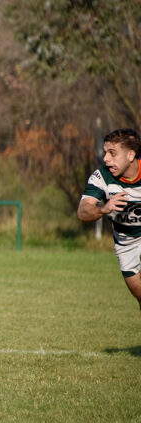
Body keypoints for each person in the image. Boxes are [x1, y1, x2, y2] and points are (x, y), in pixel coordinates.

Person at [78, 128, 141, 313]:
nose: (106, 158)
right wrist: (103, 208)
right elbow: (83, 212)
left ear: (131, 155)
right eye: (105, 152)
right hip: (126, 243)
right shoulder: (102, 176)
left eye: (112, 153)